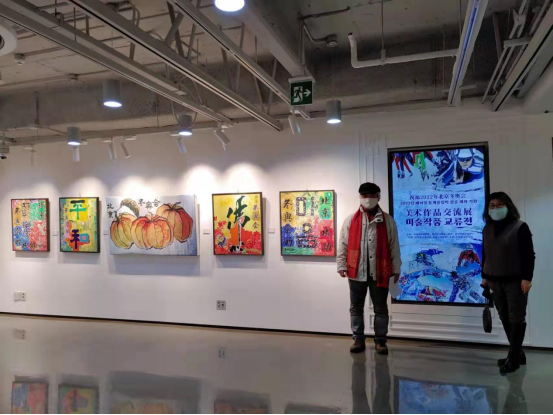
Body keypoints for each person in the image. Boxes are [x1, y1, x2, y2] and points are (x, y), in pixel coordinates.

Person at [337, 183, 402, 355]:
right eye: (364, 196)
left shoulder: (388, 221)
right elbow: (343, 244)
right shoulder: (351, 220)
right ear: (360, 197)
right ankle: (358, 339)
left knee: (380, 308)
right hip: (356, 272)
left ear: (378, 197)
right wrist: (341, 265)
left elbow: (394, 246)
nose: (368, 199)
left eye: (371, 195)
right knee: (356, 307)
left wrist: (396, 268)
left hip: (380, 272)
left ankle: (381, 341)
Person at [481, 192, 536, 375]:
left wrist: (527, 279)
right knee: (504, 316)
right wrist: (484, 276)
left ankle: (513, 359)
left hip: (515, 281)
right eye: (492, 206)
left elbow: (529, 255)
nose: (495, 209)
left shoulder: (520, 227)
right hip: (494, 280)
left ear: (508, 206)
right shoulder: (487, 229)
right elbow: (486, 254)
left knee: (516, 318)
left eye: (499, 205)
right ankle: (517, 354)